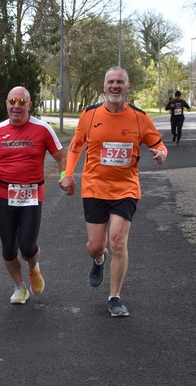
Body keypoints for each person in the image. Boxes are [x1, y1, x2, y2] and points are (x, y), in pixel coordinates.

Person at [60, 67, 167, 318]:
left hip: (126, 188)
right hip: (94, 187)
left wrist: (162, 154)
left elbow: (158, 143)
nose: (115, 86)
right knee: (96, 246)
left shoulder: (140, 118)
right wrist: (68, 174)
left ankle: (114, 297)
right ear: (104, 86)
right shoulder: (90, 115)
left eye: (120, 82)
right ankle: (98, 260)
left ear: (128, 87)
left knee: (117, 241)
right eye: (111, 82)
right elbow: (76, 145)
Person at [0, 86, 66, 305]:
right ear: (6, 103)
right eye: (12, 101)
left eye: (21, 102)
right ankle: (19, 287)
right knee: (8, 249)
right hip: (4, 193)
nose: (16, 106)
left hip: (31, 194)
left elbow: (61, 156)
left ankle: (33, 268)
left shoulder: (43, 129)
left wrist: (65, 176)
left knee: (27, 246)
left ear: (29, 105)